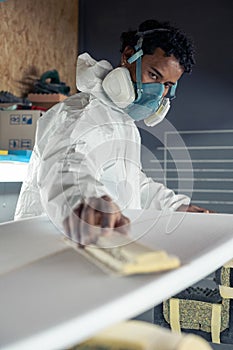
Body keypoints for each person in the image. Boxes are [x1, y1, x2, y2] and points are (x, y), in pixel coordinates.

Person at [15, 19, 212, 245]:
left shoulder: (122, 121)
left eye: (167, 85)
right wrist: (87, 203)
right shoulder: (82, 114)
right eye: (154, 75)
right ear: (129, 56)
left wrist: (175, 207)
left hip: (92, 248)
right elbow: (65, 168)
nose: (157, 92)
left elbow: (132, 184)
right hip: (50, 250)